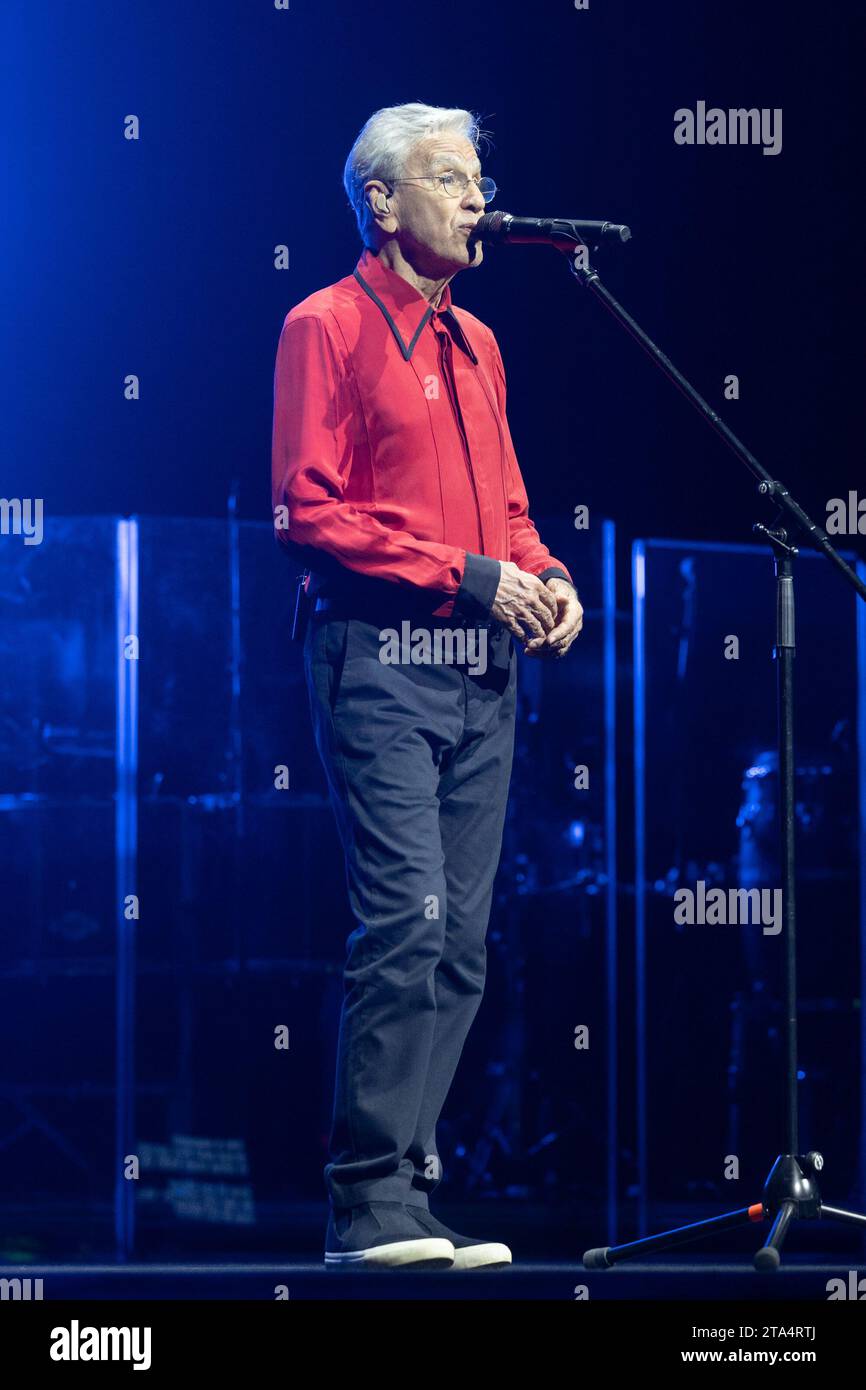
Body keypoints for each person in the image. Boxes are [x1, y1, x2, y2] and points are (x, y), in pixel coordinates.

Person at [271, 102, 583, 1270]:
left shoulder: (479, 344)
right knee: (406, 919)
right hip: (378, 657)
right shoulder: (328, 325)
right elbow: (307, 511)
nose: (477, 196)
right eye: (450, 177)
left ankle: (406, 1192)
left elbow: (508, 510)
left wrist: (546, 575)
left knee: (462, 944)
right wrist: (466, 575)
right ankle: (362, 1204)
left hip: (483, 672)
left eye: (478, 176)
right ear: (383, 200)